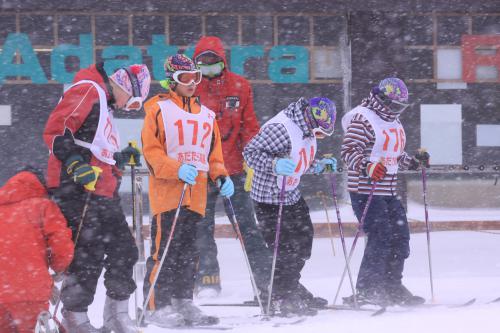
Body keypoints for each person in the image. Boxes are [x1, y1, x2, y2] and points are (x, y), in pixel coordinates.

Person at [43, 62, 151, 332]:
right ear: (124, 86)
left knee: (124, 251)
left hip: (102, 190)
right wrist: (75, 164)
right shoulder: (88, 89)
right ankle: (75, 317)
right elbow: (57, 130)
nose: (130, 107)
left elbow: (96, 150)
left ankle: (117, 315)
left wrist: (119, 158)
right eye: (134, 100)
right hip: (76, 188)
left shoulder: (103, 102)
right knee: (87, 254)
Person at [141, 54, 233, 328]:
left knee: (189, 251)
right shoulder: (158, 110)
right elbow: (152, 152)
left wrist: (221, 175)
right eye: (185, 79)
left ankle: (183, 300)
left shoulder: (207, 116)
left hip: (197, 196)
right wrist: (175, 168)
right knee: (164, 251)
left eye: (196, 77)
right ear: (172, 80)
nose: (192, 83)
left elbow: (213, 154)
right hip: (168, 194)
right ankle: (156, 305)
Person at [243, 97, 337, 316]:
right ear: (310, 118)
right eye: (319, 131)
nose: (320, 136)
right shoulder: (281, 128)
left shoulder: (306, 129)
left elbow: (298, 158)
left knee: (303, 244)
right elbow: (250, 154)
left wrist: (318, 165)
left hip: (291, 194)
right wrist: (274, 164)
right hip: (270, 199)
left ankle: (290, 287)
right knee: (285, 249)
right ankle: (279, 296)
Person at [340, 77, 430, 307]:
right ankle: (367, 290)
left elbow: (393, 155)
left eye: (400, 107)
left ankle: (391, 286)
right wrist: (367, 166)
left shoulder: (392, 121)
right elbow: (349, 151)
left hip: (388, 190)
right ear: (381, 99)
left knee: (400, 237)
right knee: (381, 236)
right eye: (393, 105)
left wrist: (413, 163)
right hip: (365, 189)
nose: (395, 111)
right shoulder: (363, 118)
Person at [192, 36, 267, 298]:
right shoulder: (189, 86)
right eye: (203, 61)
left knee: (248, 227)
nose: (208, 66)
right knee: (201, 229)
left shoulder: (240, 85)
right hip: (200, 172)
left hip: (233, 171)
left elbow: (249, 126)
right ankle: (207, 280)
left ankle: (266, 282)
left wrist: (253, 157)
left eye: (213, 60)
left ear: (222, 60)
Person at [0, 167, 74, 333]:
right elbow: (60, 244)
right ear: (41, 185)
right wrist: (59, 268)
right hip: (29, 291)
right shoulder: (43, 206)